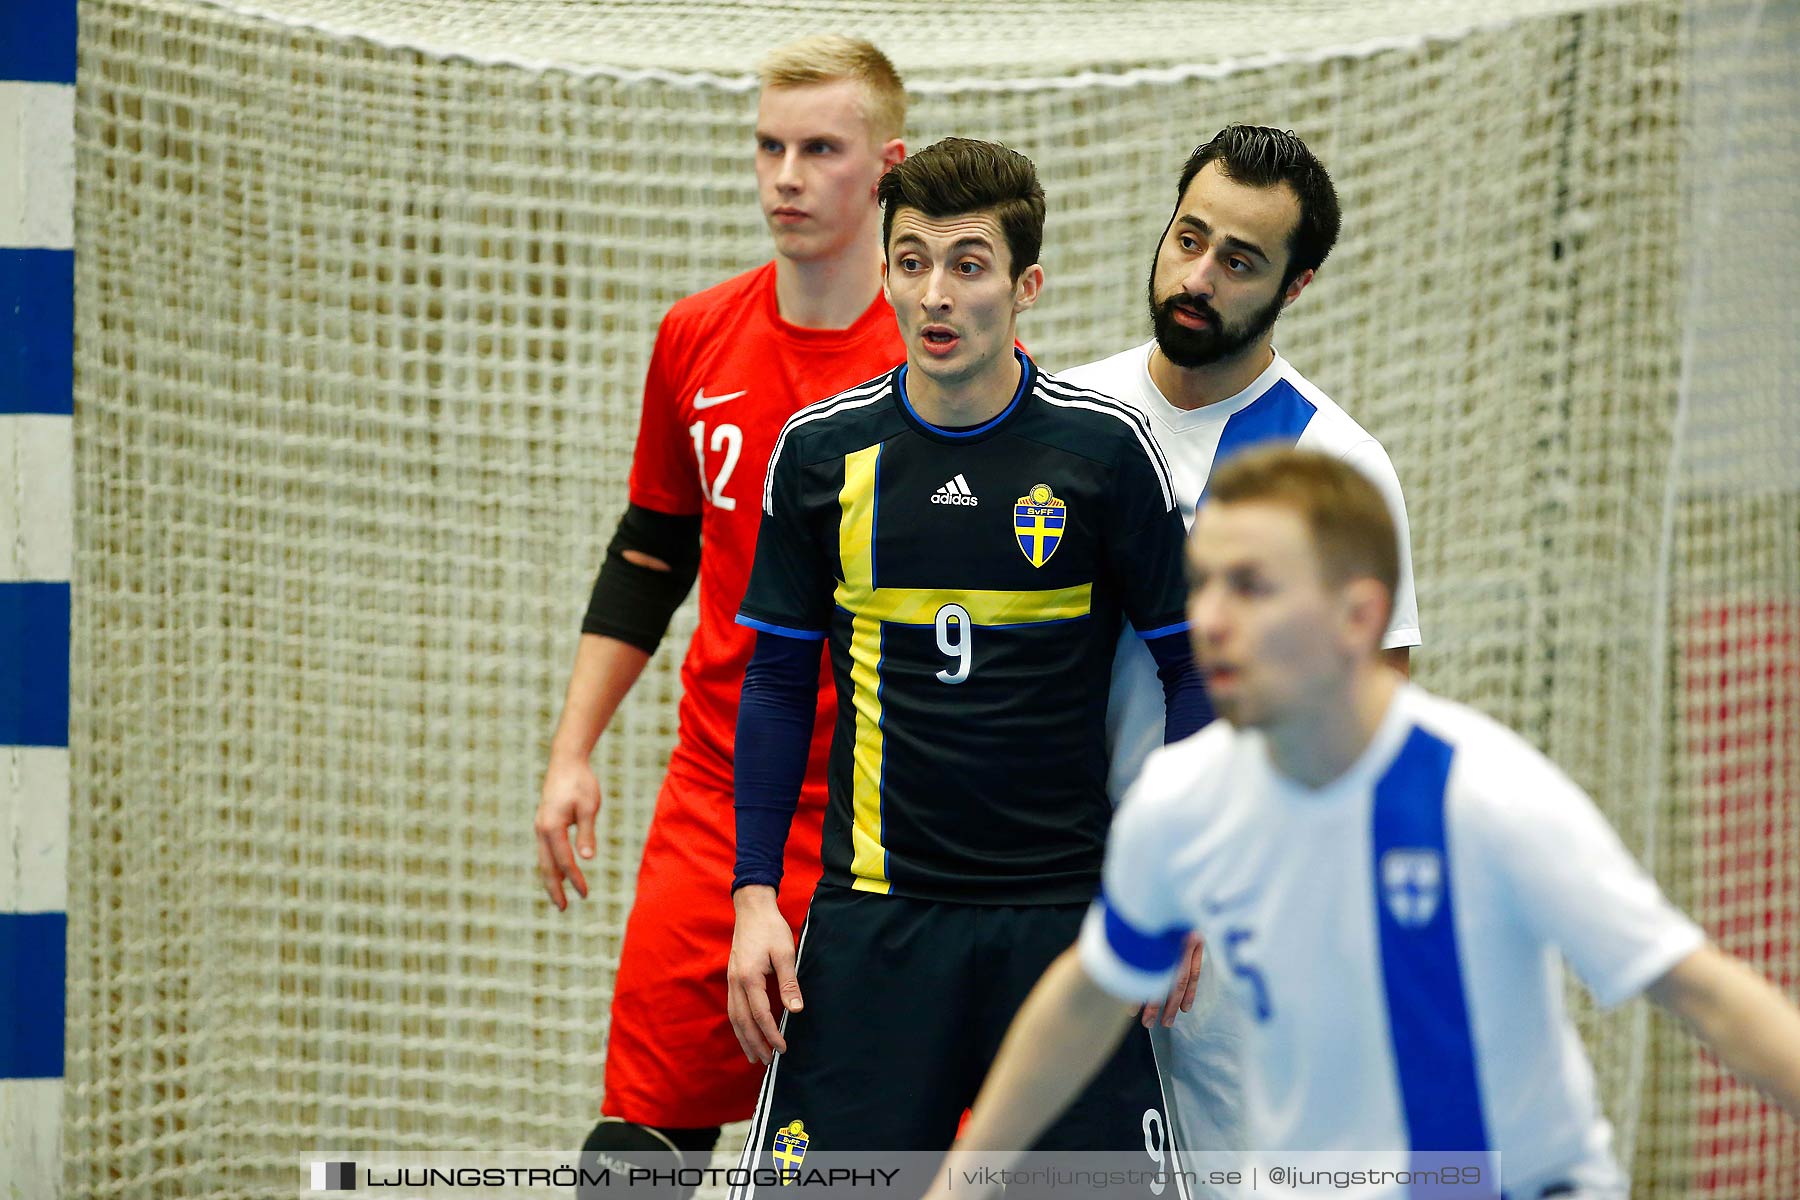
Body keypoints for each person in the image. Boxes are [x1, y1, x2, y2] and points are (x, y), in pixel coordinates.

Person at [930, 448, 1800, 1200]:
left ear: (1359, 616)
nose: (1212, 619)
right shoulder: (1181, 802)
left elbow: (1702, 992)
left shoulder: (1484, 794)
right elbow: (1091, 993)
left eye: (1252, 587)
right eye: (1203, 584)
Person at [724, 137, 1208, 1194]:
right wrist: (755, 894)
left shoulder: (1106, 454)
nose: (935, 294)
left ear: (1026, 285)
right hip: (871, 925)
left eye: (969, 263)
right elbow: (772, 682)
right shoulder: (820, 453)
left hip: (1065, 929)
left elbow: (1194, 676)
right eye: (912, 260)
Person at [531, 35, 906, 1184]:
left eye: (820, 150)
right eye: (769, 147)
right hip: (716, 795)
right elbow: (653, 548)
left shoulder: (941, 361)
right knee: (635, 1148)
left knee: (850, 1157)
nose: (785, 175)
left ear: (886, 168)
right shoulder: (697, 338)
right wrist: (572, 751)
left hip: (885, 817)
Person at [1059, 124, 1422, 1162]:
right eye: (1189, 238)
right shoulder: (1069, 416)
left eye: (1240, 261)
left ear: (1296, 287)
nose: (1198, 276)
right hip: (1065, 901)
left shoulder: (1335, 468)